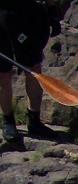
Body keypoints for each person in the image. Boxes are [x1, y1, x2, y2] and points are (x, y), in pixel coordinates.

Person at [0, 0, 61, 146]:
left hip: (30, 17)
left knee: (34, 69)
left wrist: (52, 12)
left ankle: (34, 121)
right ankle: (8, 121)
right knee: (3, 75)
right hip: (2, 19)